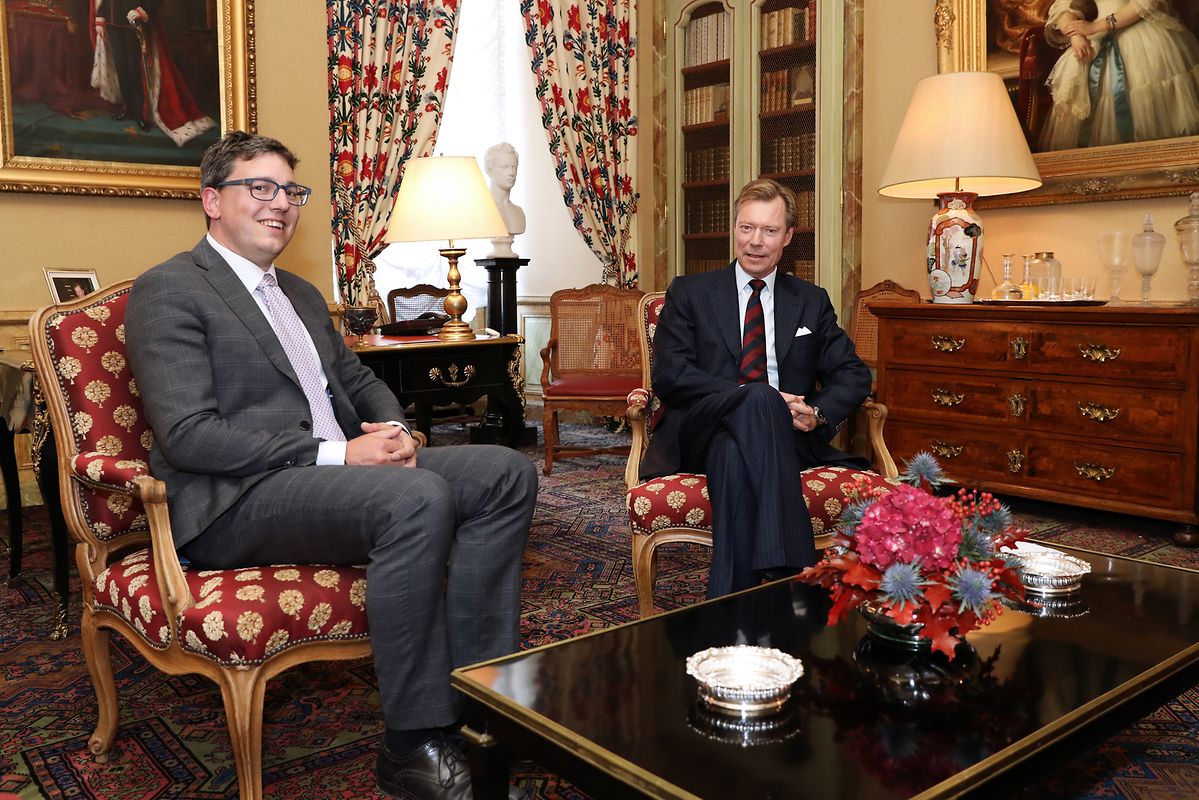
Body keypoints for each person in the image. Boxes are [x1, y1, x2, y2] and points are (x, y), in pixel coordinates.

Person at [125, 131, 538, 800]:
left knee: (503, 473)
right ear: (211, 201)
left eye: (290, 190)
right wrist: (339, 452)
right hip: (233, 499)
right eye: (258, 188)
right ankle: (413, 743)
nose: (280, 203)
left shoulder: (301, 293)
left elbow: (357, 378)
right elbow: (188, 436)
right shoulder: (170, 289)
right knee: (414, 499)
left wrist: (396, 429)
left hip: (329, 479)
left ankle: (477, 705)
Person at [639, 178, 871, 598]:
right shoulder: (690, 291)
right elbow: (671, 375)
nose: (755, 242)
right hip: (700, 430)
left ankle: (729, 603)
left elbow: (853, 373)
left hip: (783, 439)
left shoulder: (810, 300)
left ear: (787, 236)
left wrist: (816, 414)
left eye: (768, 230)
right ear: (735, 229)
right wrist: (753, 396)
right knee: (760, 395)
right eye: (747, 228)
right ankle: (796, 576)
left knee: (733, 455)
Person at [1038, 0, 1199, 150]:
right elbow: (1063, 6)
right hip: (1095, 41)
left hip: (1142, 39)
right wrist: (1075, 34)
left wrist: (1095, 27)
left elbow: (1147, 2)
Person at [91, 0, 216, 144]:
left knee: (134, 69)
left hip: (133, 21)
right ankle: (128, 109)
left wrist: (141, 11)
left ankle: (139, 113)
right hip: (112, 22)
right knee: (121, 67)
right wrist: (100, 18)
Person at [483, 142, 526, 258]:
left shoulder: (518, 212)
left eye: (514, 167)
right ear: (490, 170)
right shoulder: (483, 211)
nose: (512, 173)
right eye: (505, 167)